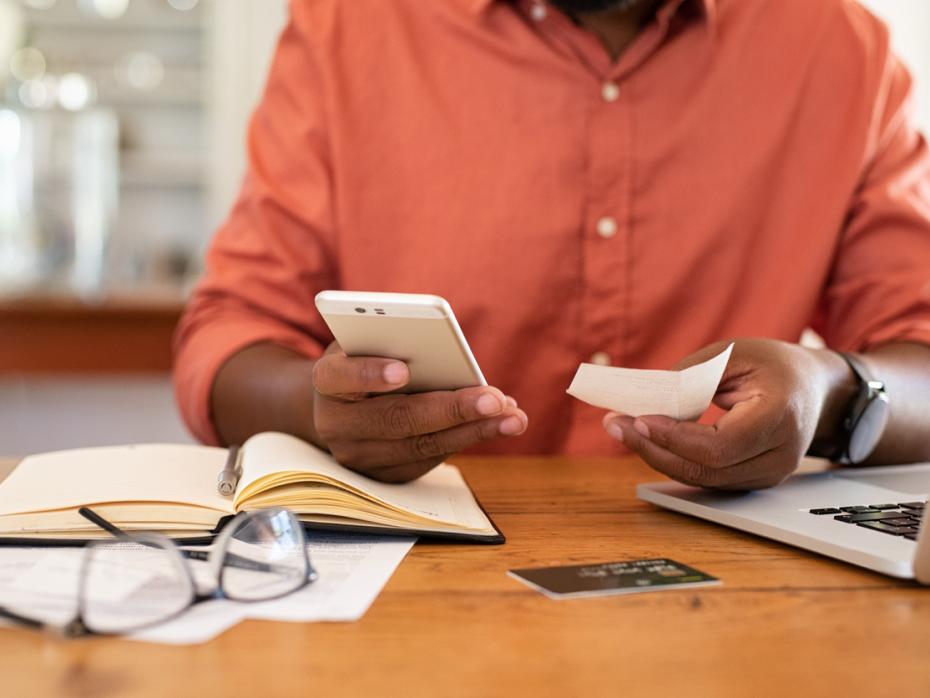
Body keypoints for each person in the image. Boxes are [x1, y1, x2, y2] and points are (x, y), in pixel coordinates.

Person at [173, 0, 930, 488]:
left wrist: (830, 396)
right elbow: (228, 337)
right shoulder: (348, 28)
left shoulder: (842, 53)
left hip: (734, 592)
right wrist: (322, 410)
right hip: (412, 588)